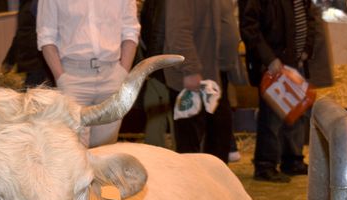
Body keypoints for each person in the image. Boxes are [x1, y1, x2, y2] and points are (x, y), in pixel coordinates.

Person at [36, 0, 140, 148]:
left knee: (106, 149)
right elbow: (46, 37)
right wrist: (61, 77)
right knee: (75, 149)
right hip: (72, 78)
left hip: (112, 75)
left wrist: (123, 73)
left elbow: (131, 31)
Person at [239, 0, 316, 182]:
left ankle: (292, 159)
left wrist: (307, 48)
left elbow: (310, 18)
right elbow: (249, 27)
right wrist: (269, 58)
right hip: (274, 65)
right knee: (271, 117)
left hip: (295, 62)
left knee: (297, 112)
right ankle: (265, 164)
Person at [164, 0, 235, 163]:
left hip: (214, 75)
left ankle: (213, 185)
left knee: (219, 140)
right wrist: (190, 69)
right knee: (190, 147)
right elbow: (178, 31)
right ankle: (192, 186)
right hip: (193, 79)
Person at [139, 0, 173, 148]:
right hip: (165, 65)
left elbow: (157, 31)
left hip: (161, 65)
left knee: (157, 116)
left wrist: (152, 65)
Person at [2, 0, 54, 87]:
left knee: (33, 94)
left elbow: (44, 32)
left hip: (38, 61)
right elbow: (21, 33)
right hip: (32, 61)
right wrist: (10, 59)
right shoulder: (26, 4)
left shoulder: (39, 3)